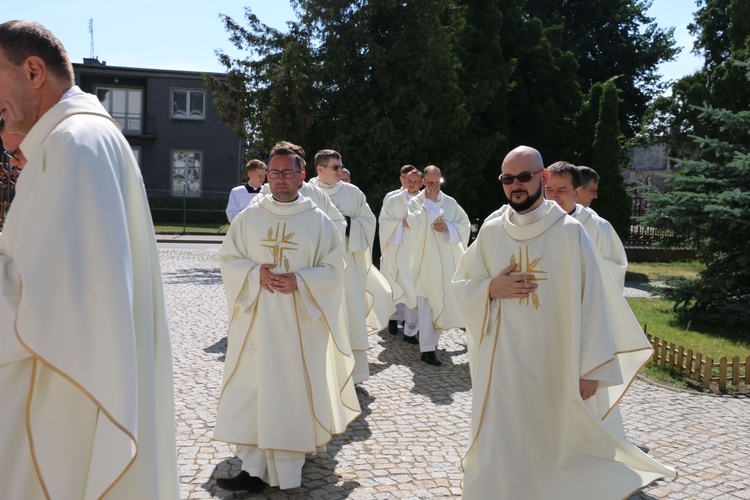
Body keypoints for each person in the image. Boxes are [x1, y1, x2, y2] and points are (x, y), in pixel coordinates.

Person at [0, 21, 179, 499]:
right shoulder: (83, 139)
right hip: (70, 392)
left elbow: (44, 301)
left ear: (34, 71)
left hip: (62, 406)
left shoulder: (72, 144)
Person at [452, 145, 675, 499]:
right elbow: (461, 287)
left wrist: (592, 367)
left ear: (542, 177)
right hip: (504, 364)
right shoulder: (492, 233)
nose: (516, 185)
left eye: (524, 177)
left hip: (556, 362)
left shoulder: (571, 232)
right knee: (504, 437)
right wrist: (490, 288)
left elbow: (596, 300)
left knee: (552, 443)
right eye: (508, 179)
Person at [214, 146, 360, 493]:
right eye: (275, 173)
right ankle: (252, 469)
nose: (281, 179)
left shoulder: (318, 220)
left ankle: (290, 470)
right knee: (254, 390)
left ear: (302, 176)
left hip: (299, 326)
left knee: (291, 392)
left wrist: (302, 280)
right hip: (257, 323)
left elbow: (334, 268)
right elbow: (228, 258)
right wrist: (253, 275)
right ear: (266, 176)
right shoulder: (251, 216)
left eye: (288, 173)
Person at [309, 149, 378, 383]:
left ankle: (352, 377)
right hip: (317, 267)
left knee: (349, 317)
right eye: (335, 167)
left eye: (341, 167)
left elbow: (370, 222)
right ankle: (319, 376)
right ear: (320, 169)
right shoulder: (307, 192)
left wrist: (347, 223)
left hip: (348, 267)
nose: (341, 171)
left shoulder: (352, 193)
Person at [406, 165, 470, 365]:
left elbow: (465, 224)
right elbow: (415, 224)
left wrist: (449, 227)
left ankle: (434, 343)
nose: (434, 186)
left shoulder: (450, 202)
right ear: (424, 182)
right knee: (426, 305)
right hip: (426, 261)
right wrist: (430, 205)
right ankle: (427, 350)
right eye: (430, 183)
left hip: (446, 261)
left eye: (437, 182)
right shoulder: (417, 202)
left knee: (441, 300)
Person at [545, 161, 627, 289]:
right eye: (548, 190)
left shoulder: (599, 227)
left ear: (576, 193)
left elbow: (616, 271)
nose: (554, 196)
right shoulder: (533, 224)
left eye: (561, 190)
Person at [379, 169, 423, 343]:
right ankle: (393, 318)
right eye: (408, 180)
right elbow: (383, 221)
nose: (410, 183)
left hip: (417, 250)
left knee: (415, 289)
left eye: (414, 181)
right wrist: (402, 223)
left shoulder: (426, 200)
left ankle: (411, 329)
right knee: (398, 285)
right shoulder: (393, 199)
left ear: (422, 183)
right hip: (397, 250)